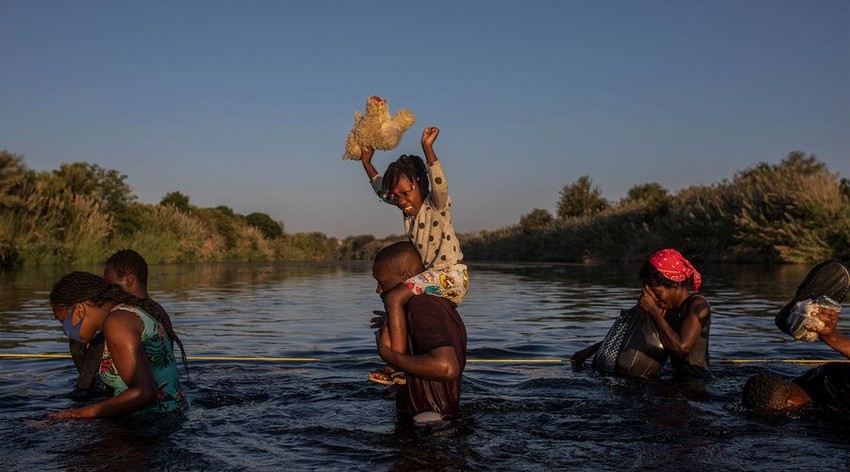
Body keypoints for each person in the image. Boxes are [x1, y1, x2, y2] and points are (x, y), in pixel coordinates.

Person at [360, 126, 469, 385]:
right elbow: (382, 190)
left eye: (406, 193)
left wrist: (428, 150)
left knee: (393, 296)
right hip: (433, 278)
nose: (401, 201)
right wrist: (367, 162)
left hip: (451, 275)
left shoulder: (436, 205)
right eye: (396, 197)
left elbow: (439, 185)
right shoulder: (405, 208)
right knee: (392, 312)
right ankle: (399, 362)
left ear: (420, 184)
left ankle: (394, 365)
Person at [47, 271, 187, 419]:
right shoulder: (124, 313)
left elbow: (144, 393)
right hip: (169, 416)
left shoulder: (116, 323)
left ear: (80, 310)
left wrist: (73, 414)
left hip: (153, 423)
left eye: (63, 321)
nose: (66, 330)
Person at [571, 248, 711, 379]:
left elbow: (682, 348)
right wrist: (590, 351)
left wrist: (653, 310)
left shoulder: (698, 305)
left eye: (657, 292)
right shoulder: (665, 310)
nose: (654, 298)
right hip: (674, 380)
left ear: (675, 285)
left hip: (696, 382)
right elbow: (636, 336)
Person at [370, 241, 467, 426]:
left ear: (407, 277)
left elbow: (446, 367)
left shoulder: (422, 306)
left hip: (428, 428)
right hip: (436, 422)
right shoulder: (433, 305)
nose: (378, 290)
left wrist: (387, 353)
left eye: (382, 283)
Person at [69, 249, 182, 397]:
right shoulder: (157, 309)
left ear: (128, 280)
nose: (106, 289)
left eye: (109, 284)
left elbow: (87, 378)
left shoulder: (121, 317)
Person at [743, 261, 850, 412]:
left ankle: (803, 314)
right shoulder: (815, 380)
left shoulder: (833, 383)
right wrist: (831, 337)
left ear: (790, 405)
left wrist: (832, 337)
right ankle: (801, 315)